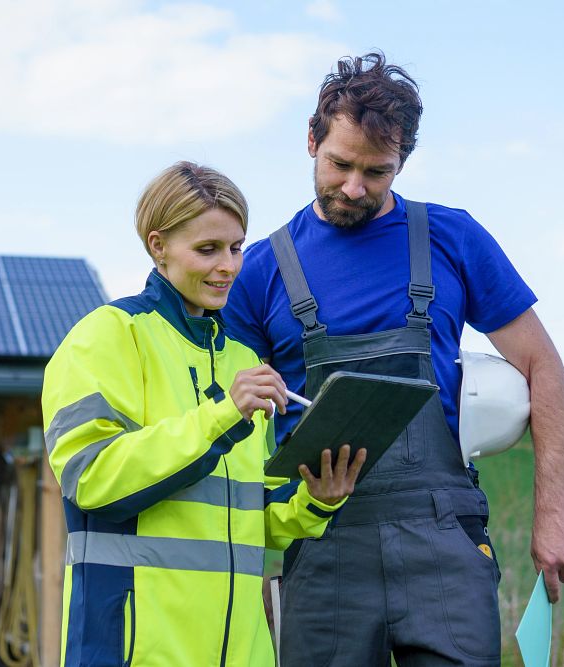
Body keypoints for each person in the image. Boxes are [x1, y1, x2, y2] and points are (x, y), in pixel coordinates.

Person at [223, 52, 564, 665]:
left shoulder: (451, 237)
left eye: (377, 171)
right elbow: (226, 411)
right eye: (339, 165)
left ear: (403, 161)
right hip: (321, 543)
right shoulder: (259, 271)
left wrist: (555, 509)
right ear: (311, 140)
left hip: (442, 537)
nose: (354, 187)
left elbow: (544, 368)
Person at [41, 161, 365, 666]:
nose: (229, 266)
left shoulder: (244, 361)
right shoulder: (106, 335)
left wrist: (316, 501)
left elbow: (252, 518)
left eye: (236, 247)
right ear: (158, 246)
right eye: (208, 249)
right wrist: (222, 416)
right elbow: (90, 478)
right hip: (131, 652)